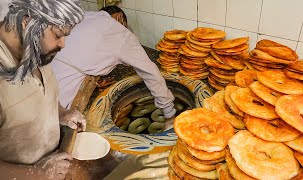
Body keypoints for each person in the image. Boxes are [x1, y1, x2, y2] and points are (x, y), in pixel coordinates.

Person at [0, 0, 86, 179]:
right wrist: (36, 174)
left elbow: (42, 95)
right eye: (57, 34)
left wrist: (61, 112)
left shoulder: (34, 48)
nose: (63, 44)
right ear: (27, 21)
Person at [51, 6, 177, 122]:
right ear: (120, 18)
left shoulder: (83, 16)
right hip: (60, 94)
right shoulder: (119, 32)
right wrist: (168, 111)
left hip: (40, 78)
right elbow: (149, 71)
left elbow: (78, 54)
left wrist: (95, 81)